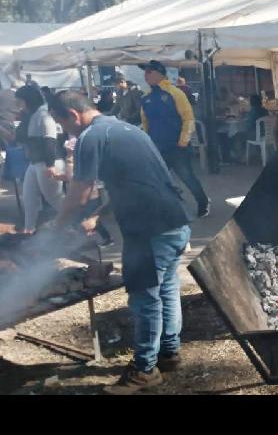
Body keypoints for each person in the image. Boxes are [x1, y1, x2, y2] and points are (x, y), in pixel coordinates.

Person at [50, 90, 190, 394]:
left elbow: (81, 191)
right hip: (174, 222)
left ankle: (144, 371)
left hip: (148, 228)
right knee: (166, 289)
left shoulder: (90, 137)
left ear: (72, 115)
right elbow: (140, 180)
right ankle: (169, 353)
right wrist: (99, 215)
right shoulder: (129, 129)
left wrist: (56, 227)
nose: (65, 132)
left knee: (145, 297)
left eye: (62, 125)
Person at [139, 60, 210, 217]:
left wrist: (183, 141)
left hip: (177, 146)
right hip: (157, 147)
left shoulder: (175, 93)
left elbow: (188, 118)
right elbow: (145, 122)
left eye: (149, 72)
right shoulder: (145, 97)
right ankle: (171, 207)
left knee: (187, 177)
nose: (145, 75)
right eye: (145, 72)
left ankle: (203, 202)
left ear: (159, 73)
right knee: (158, 180)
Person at [14, 85, 64, 233]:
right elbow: (19, 137)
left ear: (27, 100)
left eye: (19, 101)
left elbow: (50, 140)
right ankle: (29, 230)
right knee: (29, 199)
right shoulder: (30, 115)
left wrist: (50, 164)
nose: (18, 104)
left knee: (54, 198)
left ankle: (81, 223)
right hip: (35, 162)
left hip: (48, 162)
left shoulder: (43, 115)